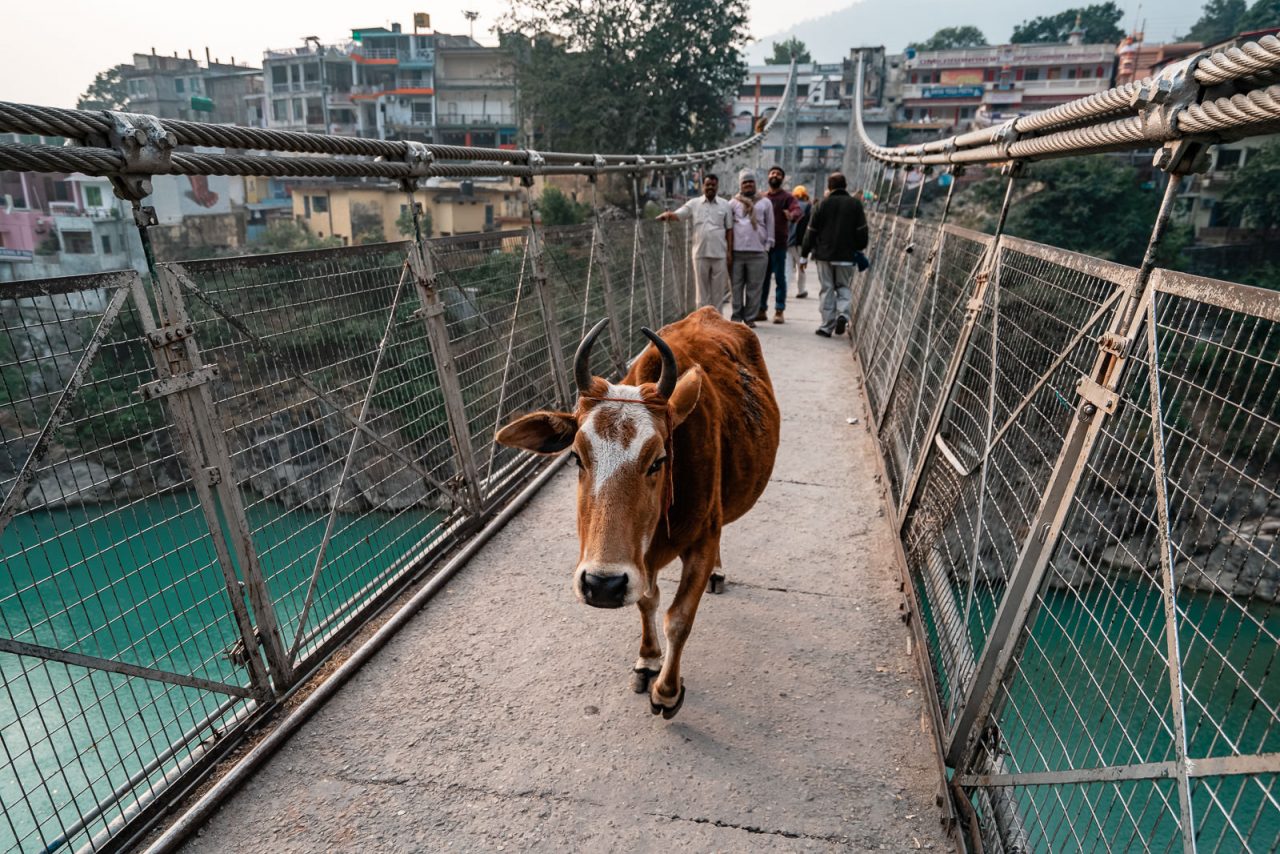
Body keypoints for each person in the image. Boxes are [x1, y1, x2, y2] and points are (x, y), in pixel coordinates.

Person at [800, 172, 868, 338]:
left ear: (829, 187)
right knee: (843, 286)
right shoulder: (855, 204)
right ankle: (843, 314)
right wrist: (859, 247)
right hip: (846, 255)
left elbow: (811, 232)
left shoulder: (821, 204)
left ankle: (826, 326)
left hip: (824, 255)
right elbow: (862, 231)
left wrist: (804, 254)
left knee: (827, 289)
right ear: (845, 186)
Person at [656, 173, 733, 307]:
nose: (710, 187)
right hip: (700, 253)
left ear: (717, 187)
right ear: (703, 186)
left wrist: (729, 252)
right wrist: (668, 215)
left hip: (719, 254)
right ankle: (701, 319)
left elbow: (729, 230)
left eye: (713, 185)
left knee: (718, 295)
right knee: (701, 295)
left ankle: (716, 319)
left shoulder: (725, 205)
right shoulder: (694, 203)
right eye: (707, 185)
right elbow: (680, 214)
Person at [728, 169, 774, 328]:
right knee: (736, 287)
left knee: (754, 288)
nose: (748, 184)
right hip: (737, 252)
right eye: (745, 182)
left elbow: (770, 225)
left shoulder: (765, 202)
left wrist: (767, 246)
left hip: (758, 252)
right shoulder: (732, 203)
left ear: (755, 183)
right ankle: (736, 318)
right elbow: (728, 227)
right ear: (740, 185)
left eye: (750, 181)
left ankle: (749, 318)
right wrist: (728, 250)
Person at [756, 165, 802, 324]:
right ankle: (761, 309)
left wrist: (791, 215)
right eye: (772, 173)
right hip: (762, 244)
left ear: (782, 178)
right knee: (763, 279)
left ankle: (779, 310)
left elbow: (797, 210)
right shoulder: (761, 197)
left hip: (779, 244)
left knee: (780, 278)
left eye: (778, 174)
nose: (775, 175)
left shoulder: (787, 198)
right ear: (768, 176)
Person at [787, 184, 812, 299]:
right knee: (800, 267)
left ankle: (783, 290)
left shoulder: (789, 206)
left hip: (787, 241)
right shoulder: (808, 206)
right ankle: (801, 290)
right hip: (800, 241)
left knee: (787, 268)